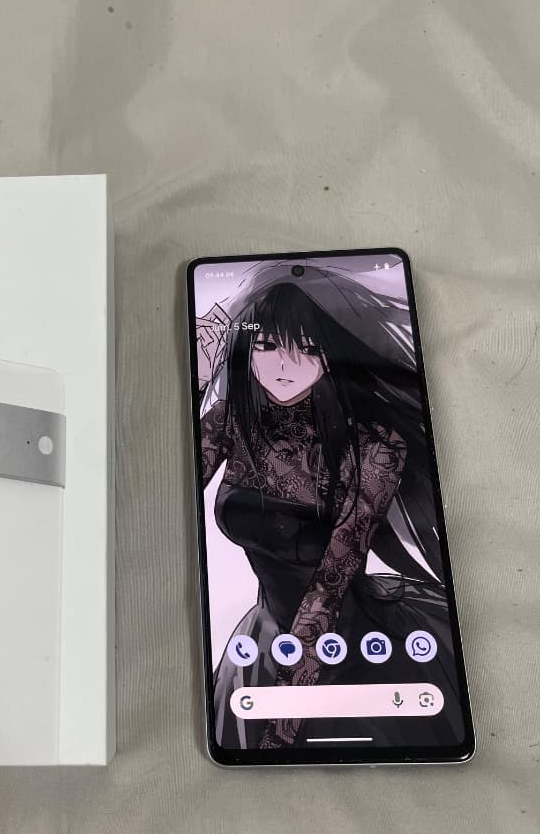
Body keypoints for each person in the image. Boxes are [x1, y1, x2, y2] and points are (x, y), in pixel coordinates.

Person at [196, 260, 461, 750]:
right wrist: (196, 379)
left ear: (330, 354)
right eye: (266, 345)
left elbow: (329, 588)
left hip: (344, 635)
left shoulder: (375, 448)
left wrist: (285, 718)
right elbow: (160, 490)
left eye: (306, 347)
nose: (283, 366)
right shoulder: (230, 418)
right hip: (270, 633)